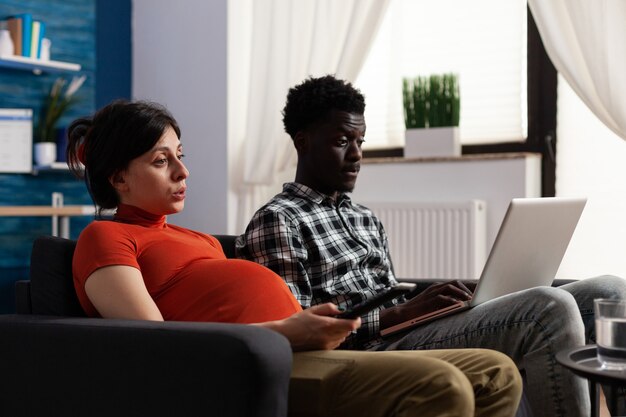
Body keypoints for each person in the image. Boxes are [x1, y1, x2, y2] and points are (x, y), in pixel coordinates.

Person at [67, 99, 522, 417]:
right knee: (441, 386)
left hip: (302, 350)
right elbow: (152, 346)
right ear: (119, 177)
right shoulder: (104, 237)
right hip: (251, 369)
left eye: (180, 156)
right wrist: (286, 331)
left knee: (496, 372)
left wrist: (311, 326)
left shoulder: (197, 239)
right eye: (161, 161)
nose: (183, 171)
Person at [235, 75, 626, 417]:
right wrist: (405, 311)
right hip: (370, 353)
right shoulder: (278, 220)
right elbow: (301, 331)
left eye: (360, 140)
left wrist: (430, 304)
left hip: (408, 332)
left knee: (610, 291)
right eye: (342, 141)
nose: (356, 155)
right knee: (549, 308)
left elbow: (389, 299)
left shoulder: (364, 217)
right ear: (303, 143)